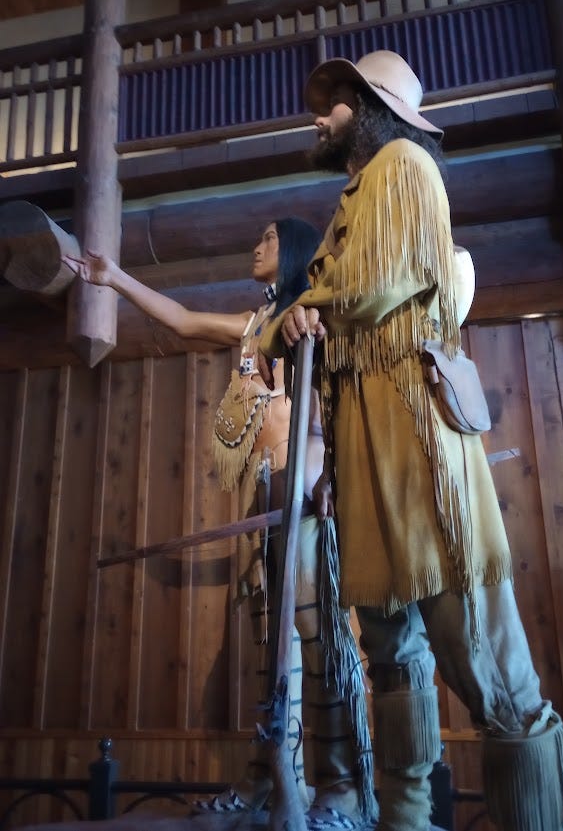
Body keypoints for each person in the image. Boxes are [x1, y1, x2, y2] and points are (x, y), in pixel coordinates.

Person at [259, 51, 563, 831]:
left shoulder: (403, 165)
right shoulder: (350, 200)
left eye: (334, 103)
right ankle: (406, 819)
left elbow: (363, 291)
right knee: (395, 661)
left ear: (372, 108)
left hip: (418, 448)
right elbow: (323, 326)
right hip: (367, 461)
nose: (320, 114)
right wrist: (287, 319)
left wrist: (297, 313)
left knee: (488, 666)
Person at [63, 218, 376, 831]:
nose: (255, 246)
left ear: (293, 253)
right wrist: (114, 277)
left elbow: (348, 406)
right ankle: (270, 779)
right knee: (274, 652)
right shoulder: (255, 327)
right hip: (266, 497)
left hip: (309, 492)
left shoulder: (316, 319)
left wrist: (333, 480)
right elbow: (181, 320)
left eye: (268, 239)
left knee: (321, 643)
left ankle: (340, 787)